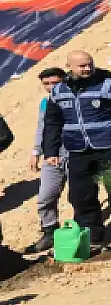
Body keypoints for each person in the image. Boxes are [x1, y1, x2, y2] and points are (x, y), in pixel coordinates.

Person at [40, 51, 111, 251]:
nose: (87, 69)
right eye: (81, 66)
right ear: (69, 66)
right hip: (78, 150)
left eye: (89, 64)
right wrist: (50, 152)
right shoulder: (58, 92)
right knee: (81, 196)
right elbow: (52, 123)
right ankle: (92, 236)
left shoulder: (110, 86)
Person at [25, 67, 68, 253]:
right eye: (46, 84)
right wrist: (36, 151)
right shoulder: (45, 103)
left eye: (55, 83)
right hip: (52, 157)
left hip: (75, 154)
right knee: (45, 198)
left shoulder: (72, 98)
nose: (51, 87)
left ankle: (85, 235)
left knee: (79, 197)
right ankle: (50, 232)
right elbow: (41, 127)